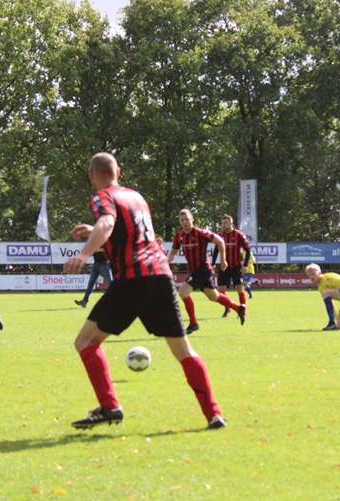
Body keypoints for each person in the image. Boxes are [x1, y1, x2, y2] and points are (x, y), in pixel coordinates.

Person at [63, 152, 226, 430]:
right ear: (119, 172)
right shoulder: (137, 197)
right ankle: (214, 414)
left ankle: (109, 406)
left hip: (132, 278)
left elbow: (108, 223)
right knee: (184, 351)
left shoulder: (103, 197)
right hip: (161, 277)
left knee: (85, 342)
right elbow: (127, 233)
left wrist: (84, 252)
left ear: (91, 176)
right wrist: (95, 230)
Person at [167, 209, 245, 334]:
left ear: (192, 219)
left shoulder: (200, 233)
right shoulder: (179, 236)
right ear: (180, 222)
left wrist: (223, 260)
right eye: (182, 220)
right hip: (195, 271)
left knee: (182, 292)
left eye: (187, 219)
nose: (185, 222)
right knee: (214, 296)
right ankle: (238, 308)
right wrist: (166, 262)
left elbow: (220, 241)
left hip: (203, 269)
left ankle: (193, 323)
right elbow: (173, 252)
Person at [212, 214, 251, 318]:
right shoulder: (220, 235)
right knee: (220, 289)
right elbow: (216, 251)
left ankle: (243, 312)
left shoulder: (239, 235)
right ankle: (228, 307)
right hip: (224, 266)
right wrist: (212, 264)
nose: (224, 225)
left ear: (231, 223)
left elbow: (248, 250)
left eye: (226, 223)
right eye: (223, 223)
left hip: (236, 266)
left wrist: (245, 265)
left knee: (239, 288)